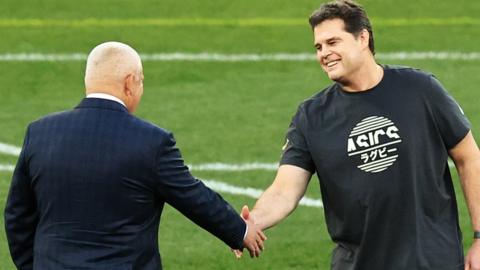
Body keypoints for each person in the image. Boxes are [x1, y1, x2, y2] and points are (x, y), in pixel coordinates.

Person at [238, 1, 480, 269]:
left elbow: (469, 158)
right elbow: (284, 190)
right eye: (319, 47)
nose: (324, 53)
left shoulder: (421, 90)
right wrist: (253, 221)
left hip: (432, 261)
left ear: (362, 38)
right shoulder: (311, 116)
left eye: (333, 42)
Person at [4, 41, 265, 269]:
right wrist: (240, 231)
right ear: (129, 83)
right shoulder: (151, 142)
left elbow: (17, 216)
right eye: (141, 81)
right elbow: (193, 197)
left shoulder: (40, 133)